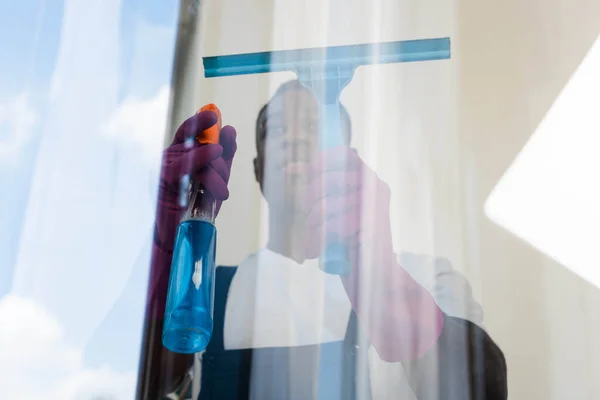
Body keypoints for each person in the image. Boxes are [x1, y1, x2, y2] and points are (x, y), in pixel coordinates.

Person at [136, 80, 508, 399]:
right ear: (257, 169)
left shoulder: (426, 277)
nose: (296, 137)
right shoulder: (206, 295)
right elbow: (150, 384)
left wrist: (386, 284)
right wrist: (167, 256)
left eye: (314, 127)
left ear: (349, 159)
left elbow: (484, 388)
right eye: (277, 129)